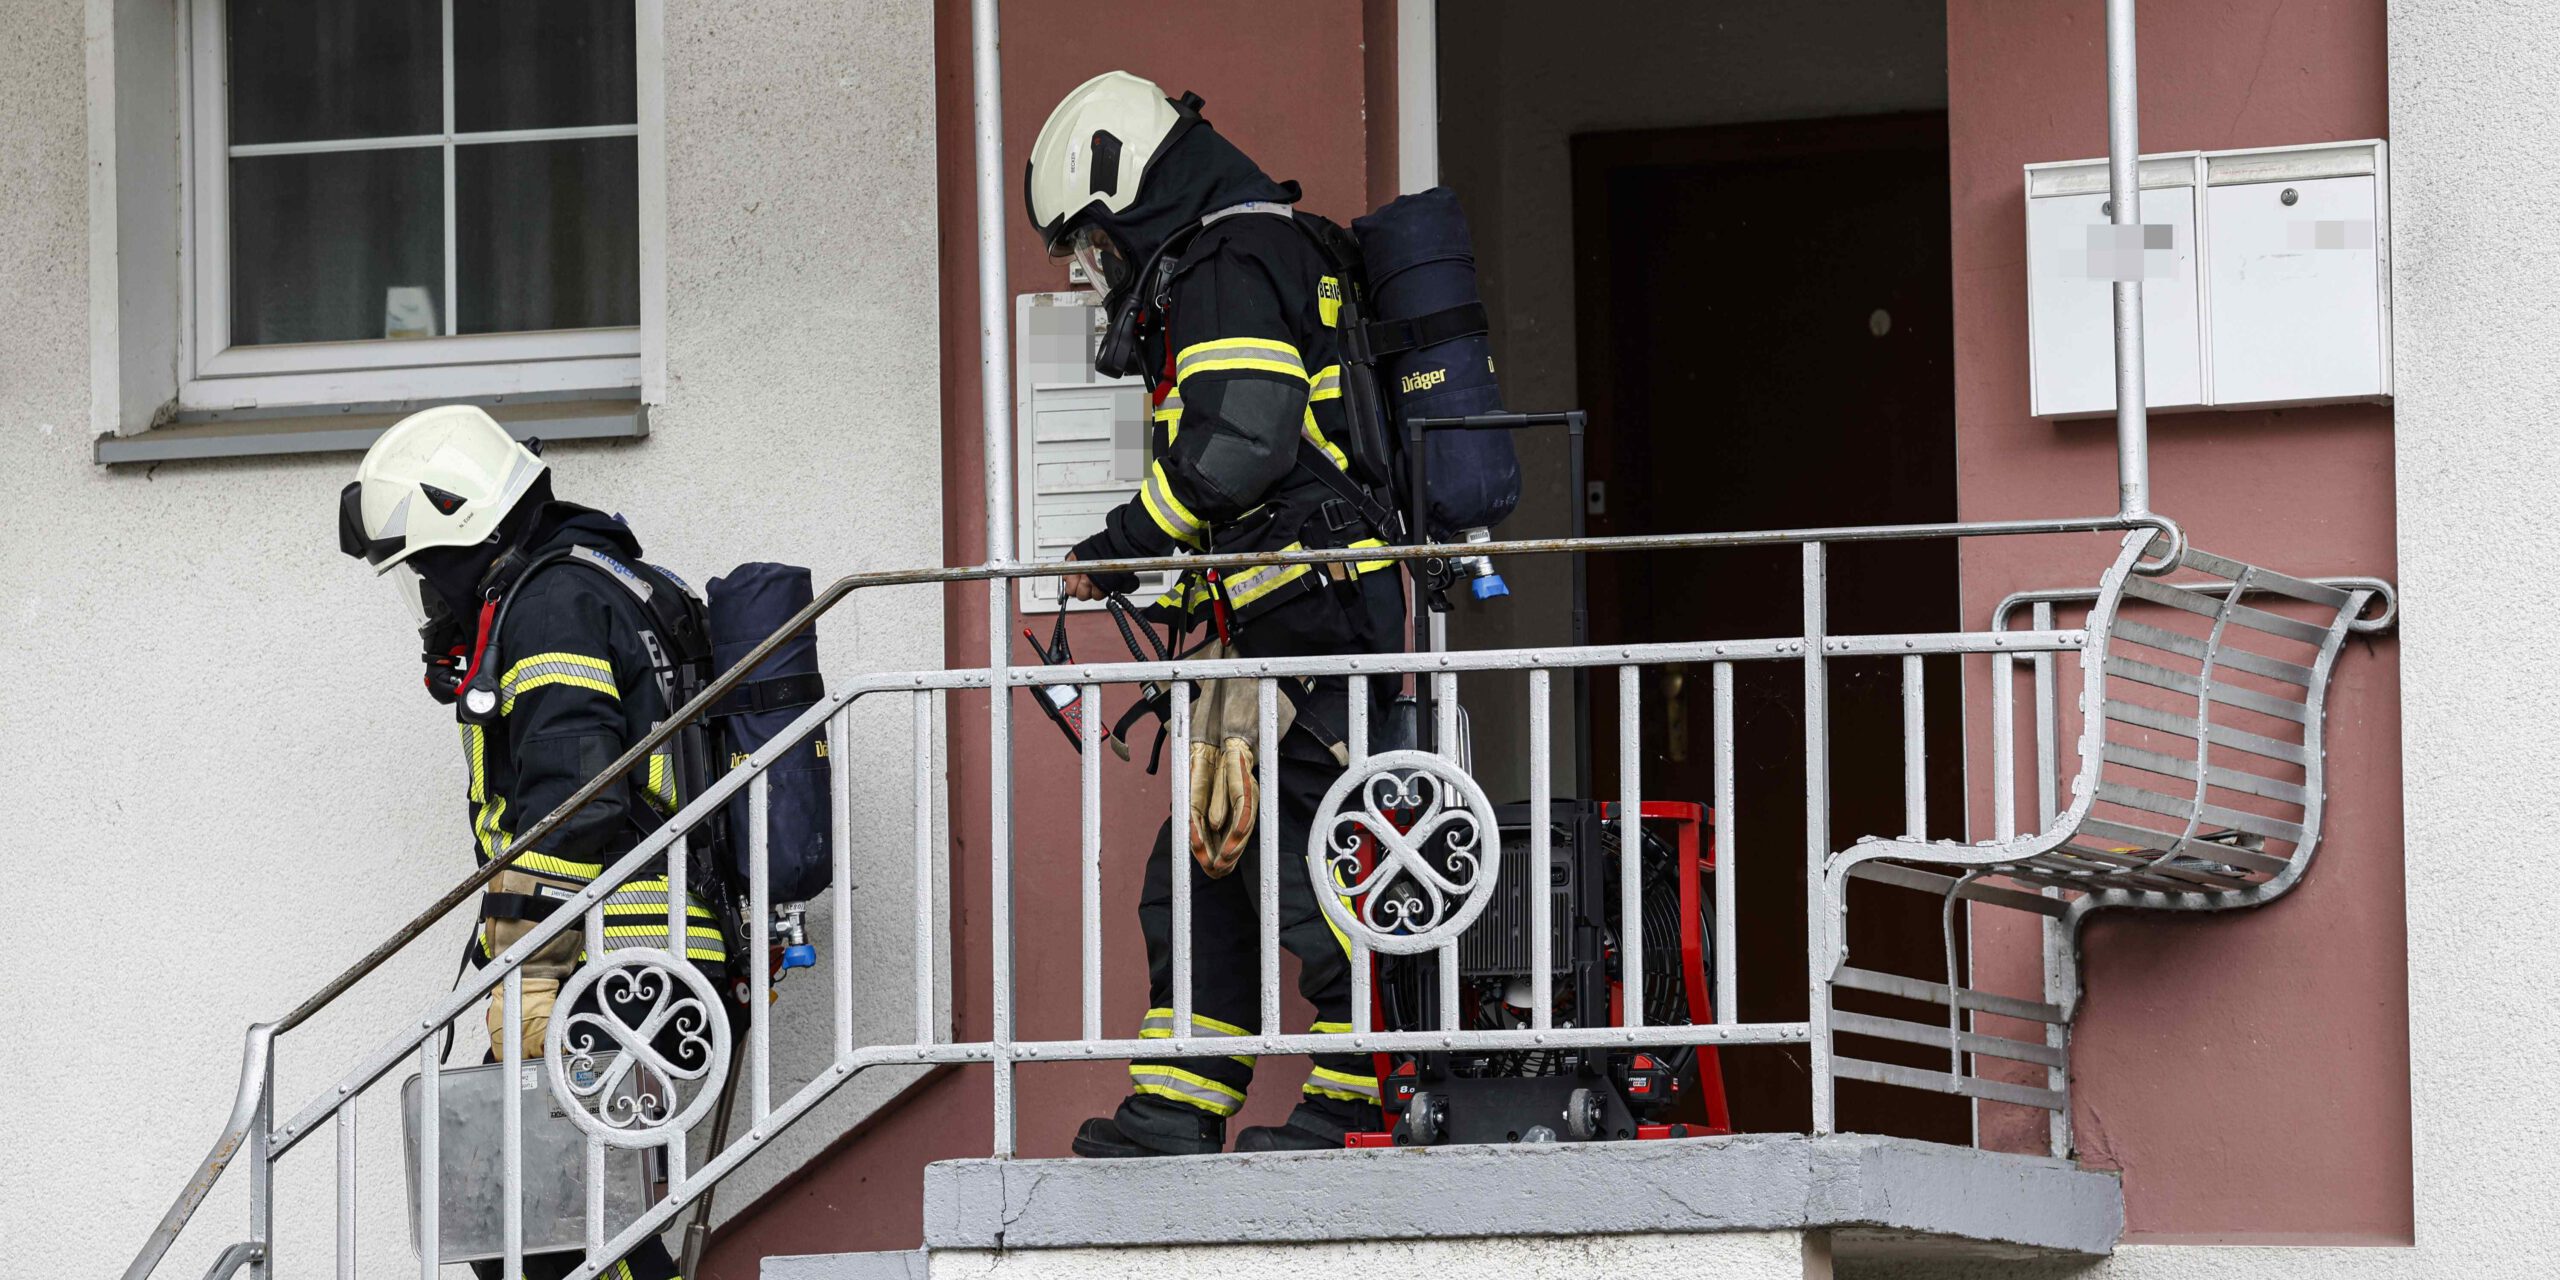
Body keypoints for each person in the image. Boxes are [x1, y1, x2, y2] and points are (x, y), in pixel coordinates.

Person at [1024, 71, 1406, 1156]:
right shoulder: (1234, 256)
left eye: (1086, 244)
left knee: (1316, 847)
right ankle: (1181, 1100)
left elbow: (1242, 438)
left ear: (1120, 194)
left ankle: (1364, 1090)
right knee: (1204, 857)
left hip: (1310, 612)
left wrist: (1120, 544)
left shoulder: (1233, 261)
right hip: (1265, 622)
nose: (1088, 270)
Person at [340, 403, 721, 1278]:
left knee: (556, 1231)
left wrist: (527, 952)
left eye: (430, 573)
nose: (432, 600)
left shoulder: (551, 604)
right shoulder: (590, 581)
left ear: (467, 528)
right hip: (632, 955)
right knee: (535, 1221)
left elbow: (576, 794)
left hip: (619, 954)